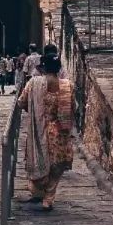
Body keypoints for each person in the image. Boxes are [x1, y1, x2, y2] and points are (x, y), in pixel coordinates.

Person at [17, 53, 74, 211]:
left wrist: (35, 111)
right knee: (57, 166)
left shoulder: (34, 83)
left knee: (41, 162)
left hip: (40, 130)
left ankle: (39, 191)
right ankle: (48, 199)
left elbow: (21, 102)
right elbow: (73, 107)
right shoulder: (67, 86)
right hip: (59, 133)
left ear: (43, 67)